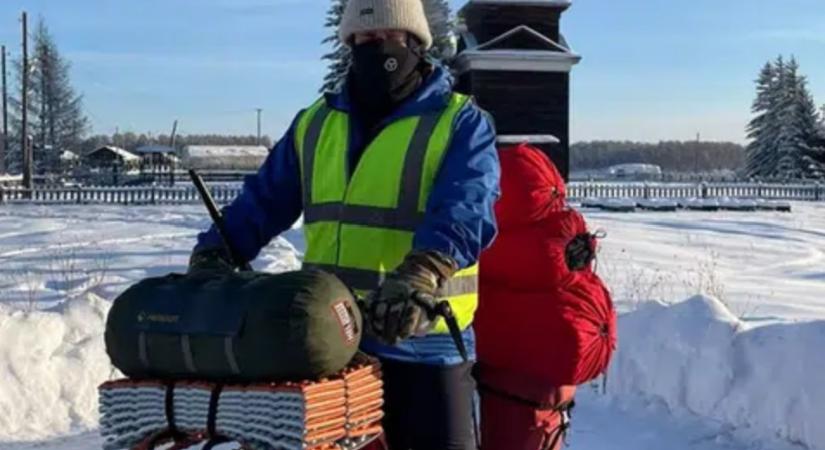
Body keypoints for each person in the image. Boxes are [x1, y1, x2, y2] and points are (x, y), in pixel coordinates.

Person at [189, 1, 500, 448]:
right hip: (331, 337)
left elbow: (466, 208)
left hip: (424, 342)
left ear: (415, 43)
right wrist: (217, 251)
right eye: (363, 39)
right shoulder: (315, 123)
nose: (374, 49)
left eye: (386, 38)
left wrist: (421, 274)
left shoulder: (461, 123)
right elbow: (263, 200)